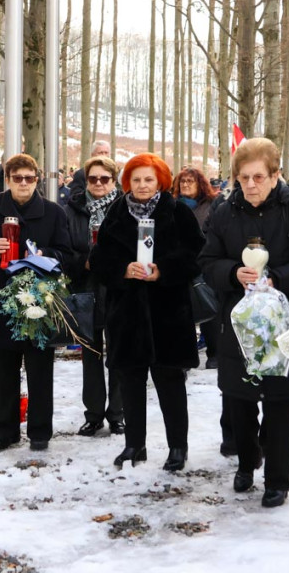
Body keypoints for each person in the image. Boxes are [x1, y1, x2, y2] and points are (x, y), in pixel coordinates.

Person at [199, 138, 289, 508]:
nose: (250, 185)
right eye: (243, 178)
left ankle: (278, 480)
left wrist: (279, 279)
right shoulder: (224, 212)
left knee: (280, 401)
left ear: (275, 176)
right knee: (239, 396)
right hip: (239, 322)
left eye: (258, 177)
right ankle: (247, 460)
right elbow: (207, 260)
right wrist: (231, 273)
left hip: (285, 320)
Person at [90, 153, 205, 472]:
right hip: (127, 312)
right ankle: (134, 445)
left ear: (160, 181)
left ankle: (177, 447)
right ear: (128, 182)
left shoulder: (177, 211)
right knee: (130, 380)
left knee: (170, 380)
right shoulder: (117, 211)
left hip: (168, 312)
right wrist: (122, 269)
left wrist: (163, 270)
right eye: (137, 179)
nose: (142, 185)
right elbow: (99, 257)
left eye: (148, 179)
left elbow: (196, 253)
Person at [0, 154, 73, 451]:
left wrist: (38, 255)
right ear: (7, 180)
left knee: (41, 369)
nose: (24, 183)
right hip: (4, 299)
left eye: (29, 178)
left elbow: (67, 254)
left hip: (40, 297)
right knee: (5, 369)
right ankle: (6, 431)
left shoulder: (53, 212)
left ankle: (40, 432)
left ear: (37, 179)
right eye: (17, 178)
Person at [63, 155, 124, 437]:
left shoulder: (126, 208)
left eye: (105, 179)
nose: (98, 184)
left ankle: (118, 413)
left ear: (114, 181)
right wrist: (83, 262)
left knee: (118, 353)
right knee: (90, 353)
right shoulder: (72, 209)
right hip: (84, 287)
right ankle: (94, 414)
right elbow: (62, 250)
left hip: (118, 289)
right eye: (93, 178)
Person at [172, 166, 221, 370]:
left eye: (190, 181)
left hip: (203, 263)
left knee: (208, 308)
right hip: (179, 265)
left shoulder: (210, 205)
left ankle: (215, 354)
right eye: (182, 181)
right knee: (182, 312)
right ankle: (185, 356)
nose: (185, 185)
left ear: (200, 183)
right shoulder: (172, 205)